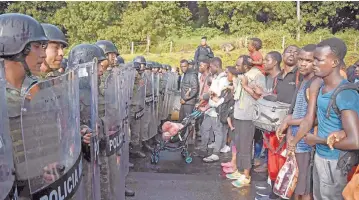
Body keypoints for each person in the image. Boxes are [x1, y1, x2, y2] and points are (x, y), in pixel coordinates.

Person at [293, 38, 359, 200]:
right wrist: (293, 142)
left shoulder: (345, 94)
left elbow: (355, 141)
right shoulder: (321, 88)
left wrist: (318, 140)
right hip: (320, 156)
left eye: (318, 60)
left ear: (335, 62)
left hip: (335, 162)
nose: (314, 63)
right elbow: (313, 118)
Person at [1, 13, 48, 199]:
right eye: (37, 47)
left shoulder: (40, 88)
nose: (43, 54)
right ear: (15, 48)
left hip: (43, 183)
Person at [277, 44, 320, 200]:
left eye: (308, 60)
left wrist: (290, 124)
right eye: (300, 59)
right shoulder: (303, 81)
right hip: (296, 140)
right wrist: (289, 132)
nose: (302, 63)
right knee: (297, 184)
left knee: (305, 188)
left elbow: (313, 119)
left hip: (305, 141)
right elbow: (296, 111)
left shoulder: (315, 83)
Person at [226, 55, 265, 188]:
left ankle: (246, 175)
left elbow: (260, 96)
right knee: (239, 145)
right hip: (239, 114)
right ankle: (240, 171)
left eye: (238, 65)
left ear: (246, 65)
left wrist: (245, 85)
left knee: (246, 146)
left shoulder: (257, 75)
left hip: (249, 116)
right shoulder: (241, 76)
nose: (236, 67)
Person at [252, 51, 282, 175]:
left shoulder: (281, 78)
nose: (263, 62)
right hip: (267, 117)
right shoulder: (268, 78)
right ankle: (269, 168)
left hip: (277, 120)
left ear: (275, 62)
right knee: (268, 145)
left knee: (276, 149)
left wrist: (262, 93)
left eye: (267, 60)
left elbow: (279, 99)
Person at [221, 66, 239, 173]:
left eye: (228, 73)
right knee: (233, 141)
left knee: (237, 142)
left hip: (236, 116)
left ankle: (236, 164)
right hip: (231, 116)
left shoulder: (237, 85)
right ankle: (233, 161)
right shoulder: (231, 86)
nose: (226, 75)